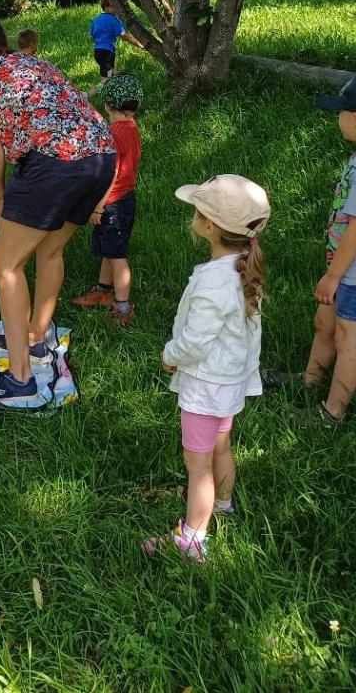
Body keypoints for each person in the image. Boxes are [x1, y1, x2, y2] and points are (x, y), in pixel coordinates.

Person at [0, 18, 117, 402]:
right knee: (51, 249)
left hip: (55, 163)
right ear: (3, 42)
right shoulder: (35, 63)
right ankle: (36, 337)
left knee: (6, 265)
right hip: (102, 154)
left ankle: (20, 376)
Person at [263, 72, 356, 425]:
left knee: (347, 341)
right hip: (346, 268)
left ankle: (332, 412)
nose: (337, 118)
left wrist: (333, 276)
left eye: (340, 112)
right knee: (323, 323)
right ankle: (310, 380)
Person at [143, 175, 271, 562]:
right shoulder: (241, 268)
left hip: (207, 385)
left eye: (197, 211)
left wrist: (170, 356)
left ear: (210, 226)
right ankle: (223, 505)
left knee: (197, 467)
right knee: (221, 444)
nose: (193, 216)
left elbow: (195, 341)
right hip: (229, 381)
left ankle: (192, 540)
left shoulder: (215, 282)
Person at [72, 74, 143, 326]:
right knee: (108, 250)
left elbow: (111, 172)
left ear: (108, 104)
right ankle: (103, 291)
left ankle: (122, 307)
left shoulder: (114, 132)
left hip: (113, 202)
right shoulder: (131, 127)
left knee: (116, 256)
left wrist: (99, 206)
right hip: (124, 199)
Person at [89, 0, 142, 80]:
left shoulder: (96, 20)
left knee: (107, 73)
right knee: (108, 77)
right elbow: (124, 35)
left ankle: (108, 83)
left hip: (97, 52)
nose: (117, 9)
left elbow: (92, 36)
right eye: (114, 6)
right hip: (107, 53)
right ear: (106, 6)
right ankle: (103, 86)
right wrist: (140, 44)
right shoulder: (113, 19)